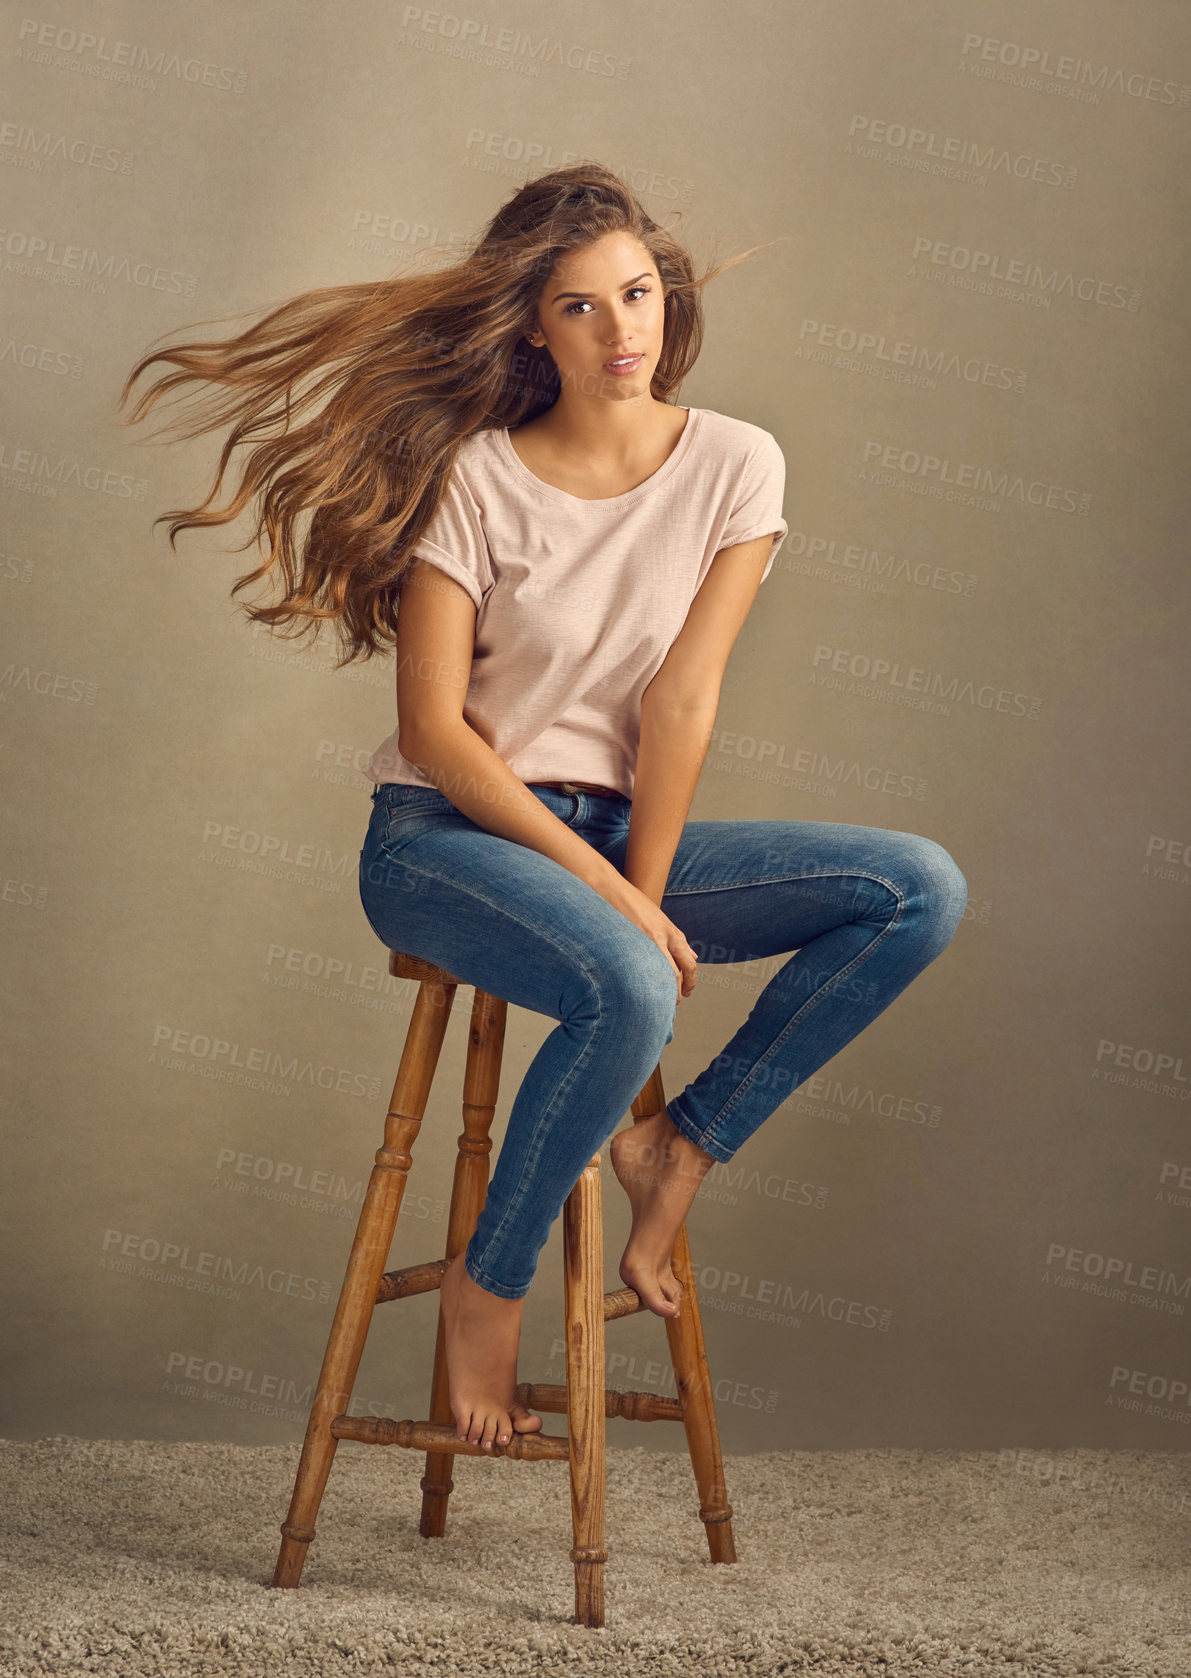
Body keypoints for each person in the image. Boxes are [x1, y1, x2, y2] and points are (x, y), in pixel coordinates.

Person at [119, 161, 967, 1465]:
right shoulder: (475, 478)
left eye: (637, 294)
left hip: (619, 836)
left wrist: (640, 876)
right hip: (448, 840)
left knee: (916, 886)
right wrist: (619, 897)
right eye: (581, 308)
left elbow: (682, 702)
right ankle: (489, 1284)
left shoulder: (738, 461)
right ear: (532, 328)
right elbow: (436, 738)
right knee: (628, 976)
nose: (623, 331)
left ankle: (681, 1150)